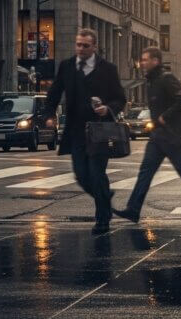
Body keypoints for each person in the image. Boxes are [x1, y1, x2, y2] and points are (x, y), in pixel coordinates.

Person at [113, 47, 181, 222]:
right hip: (158, 136)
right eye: (142, 60)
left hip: (171, 135)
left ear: (156, 61)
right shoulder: (151, 80)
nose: (142, 63)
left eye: (146, 59)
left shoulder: (166, 78)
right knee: (145, 171)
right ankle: (133, 209)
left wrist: (164, 117)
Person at [44, 28, 127, 235]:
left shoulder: (108, 69)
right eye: (78, 44)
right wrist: (48, 115)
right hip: (75, 131)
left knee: (97, 174)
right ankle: (105, 196)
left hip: (100, 132)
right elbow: (54, 93)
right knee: (81, 175)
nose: (80, 48)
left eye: (85, 45)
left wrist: (107, 108)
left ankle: (102, 218)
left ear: (94, 47)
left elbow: (120, 98)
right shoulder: (67, 66)